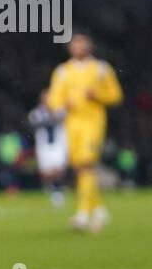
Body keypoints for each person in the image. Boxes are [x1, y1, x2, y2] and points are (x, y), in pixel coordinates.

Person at [44, 34, 122, 232]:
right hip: (72, 124)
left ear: (89, 46)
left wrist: (98, 95)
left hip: (93, 122)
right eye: (75, 44)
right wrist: (62, 104)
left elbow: (116, 95)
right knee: (79, 167)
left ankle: (83, 214)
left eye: (81, 43)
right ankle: (97, 208)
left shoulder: (101, 69)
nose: (78, 47)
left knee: (87, 164)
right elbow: (53, 99)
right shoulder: (63, 71)